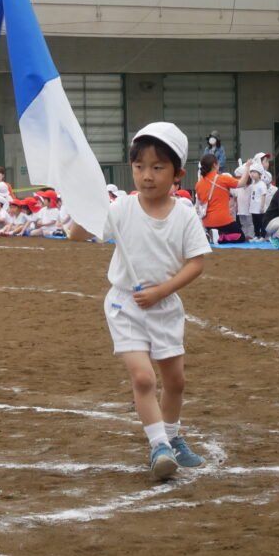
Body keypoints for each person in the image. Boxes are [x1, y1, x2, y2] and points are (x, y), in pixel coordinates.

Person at [68, 122, 211, 480]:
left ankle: (174, 437)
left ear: (177, 174)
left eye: (158, 167)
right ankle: (159, 446)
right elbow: (76, 235)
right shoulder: (120, 209)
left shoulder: (184, 215)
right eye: (139, 167)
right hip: (125, 306)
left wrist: (163, 291)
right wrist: (85, 202)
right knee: (144, 379)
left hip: (164, 308)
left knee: (175, 381)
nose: (147, 176)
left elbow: (197, 262)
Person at [195, 154, 252, 243]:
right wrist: (247, 167)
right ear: (214, 165)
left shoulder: (199, 184)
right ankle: (221, 238)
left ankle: (214, 235)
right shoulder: (222, 178)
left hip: (206, 222)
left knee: (225, 230)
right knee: (240, 236)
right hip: (223, 219)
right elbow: (242, 183)